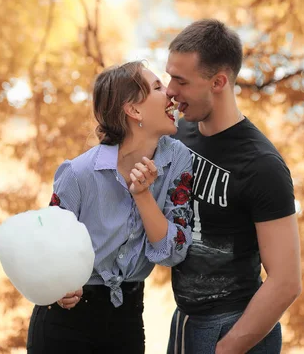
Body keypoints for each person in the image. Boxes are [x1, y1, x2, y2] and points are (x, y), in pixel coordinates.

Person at [26, 61, 194, 354]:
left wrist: (143, 196)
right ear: (134, 110)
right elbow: (45, 251)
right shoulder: (78, 175)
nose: (170, 93)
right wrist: (59, 287)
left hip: (126, 319)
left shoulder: (178, 160)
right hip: (65, 322)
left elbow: (173, 252)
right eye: (157, 87)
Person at [165, 19, 302, 354]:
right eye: (169, 76)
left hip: (236, 330)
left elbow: (286, 282)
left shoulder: (262, 165)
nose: (169, 89)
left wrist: (225, 349)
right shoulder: (180, 136)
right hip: (184, 323)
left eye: (180, 80)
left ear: (218, 82)